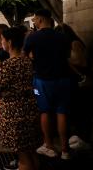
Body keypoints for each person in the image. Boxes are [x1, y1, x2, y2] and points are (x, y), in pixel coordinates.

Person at [0, 27, 41, 170]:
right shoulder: (27, 61)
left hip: (15, 112)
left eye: (3, 40)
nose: (2, 42)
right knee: (32, 153)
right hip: (30, 108)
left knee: (23, 157)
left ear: (9, 42)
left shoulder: (10, 64)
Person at [24, 9, 71, 160]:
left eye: (35, 19)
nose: (34, 22)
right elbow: (68, 56)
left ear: (40, 19)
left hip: (43, 79)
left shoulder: (34, 37)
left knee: (44, 111)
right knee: (62, 112)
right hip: (64, 78)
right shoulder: (62, 36)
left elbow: (25, 56)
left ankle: (49, 145)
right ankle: (65, 150)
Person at [55, 23, 92, 151]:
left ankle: (84, 138)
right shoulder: (68, 44)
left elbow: (81, 62)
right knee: (75, 110)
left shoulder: (74, 43)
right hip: (72, 81)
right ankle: (79, 137)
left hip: (79, 82)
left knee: (81, 110)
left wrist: (65, 59)